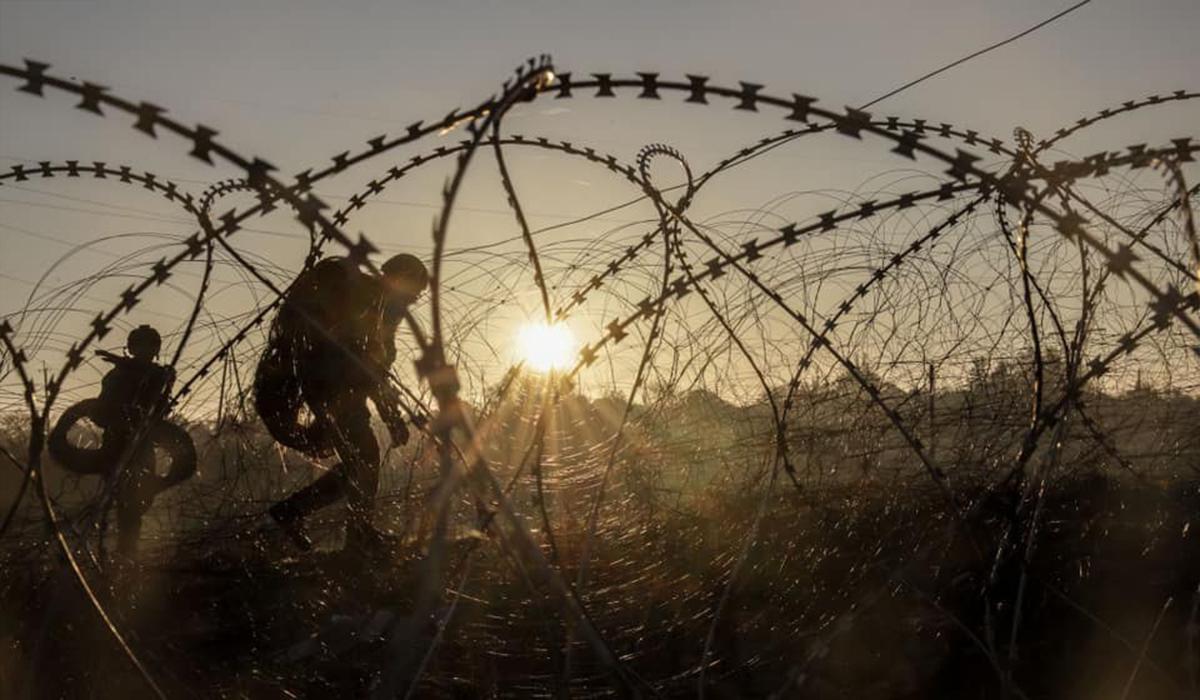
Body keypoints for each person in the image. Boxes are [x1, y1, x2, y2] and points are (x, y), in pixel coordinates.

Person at [256, 253, 428, 553]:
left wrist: (391, 414)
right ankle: (356, 535)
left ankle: (294, 512)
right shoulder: (369, 302)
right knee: (364, 458)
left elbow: (375, 370)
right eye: (414, 291)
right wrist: (390, 415)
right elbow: (371, 366)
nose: (414, 300)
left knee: (358, 461)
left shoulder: (377, 304)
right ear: (400, 280)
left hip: (336, 389)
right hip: (334, 390)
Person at [92, 324, 176, 557]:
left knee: (138, 500)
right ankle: (123, 551)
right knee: (125, 501)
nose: (145, 351)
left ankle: (125, 550)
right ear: (131, 348)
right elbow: (100, 414)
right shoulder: (118, 376)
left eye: (149, 346)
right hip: (118, 444)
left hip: (141, 444)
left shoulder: (159, 376)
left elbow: (160, 410)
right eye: (141, 346)